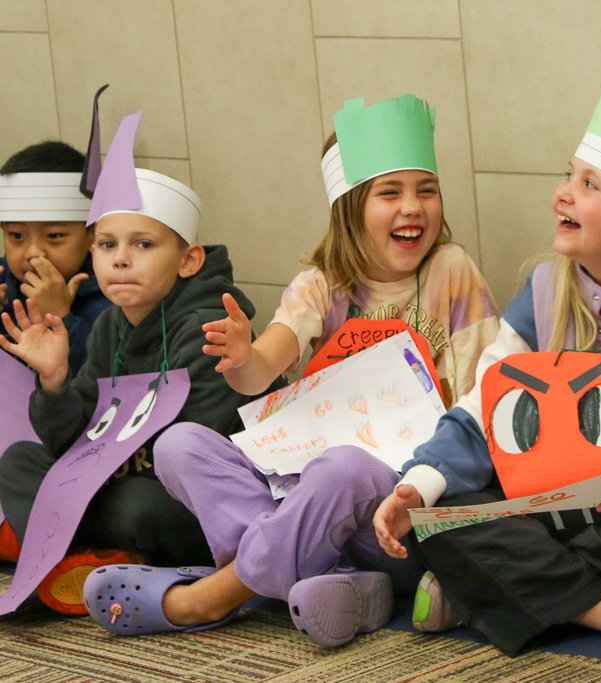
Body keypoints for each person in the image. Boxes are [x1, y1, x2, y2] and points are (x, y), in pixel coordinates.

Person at [82, 94, 499, 648]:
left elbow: (482, 398)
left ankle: (213, 595)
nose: (413, 208)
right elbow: (262, 369)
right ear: (350, 207)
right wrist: (241, 356)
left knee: (345, 467)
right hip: (301, 502)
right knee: (179, 445)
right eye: (390, 193)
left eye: (427, 190)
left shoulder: (452, 270)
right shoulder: (319, 284)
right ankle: (339, 586)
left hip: (397, 513)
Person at [373, 28, 601, 657]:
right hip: (546, 507)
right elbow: (484, 411)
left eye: (591, 186)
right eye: (569, 175)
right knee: (442, 512)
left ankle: (487, 591)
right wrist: (418, 485)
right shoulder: (544, 292)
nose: (562, 194)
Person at [0, 112, 257, 615]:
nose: (120, 260)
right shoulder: (107, 326)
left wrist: (85, 480)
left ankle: (92, 561)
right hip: (111, 481)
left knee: (137, 507)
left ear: (188, 260)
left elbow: (190, 454)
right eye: (107, 245)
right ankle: (77, 568)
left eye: (143, 245)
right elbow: (66, 439)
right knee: (21, 462)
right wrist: (53, 381)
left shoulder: (211, 326)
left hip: (181, 497)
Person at [0, 141, 111, 378]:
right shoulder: (4, 280)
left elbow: (101, 377)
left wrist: (59, 317)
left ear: (92, 233)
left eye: (54, 236)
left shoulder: (114, 294)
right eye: (16, 236)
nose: (33, 252)